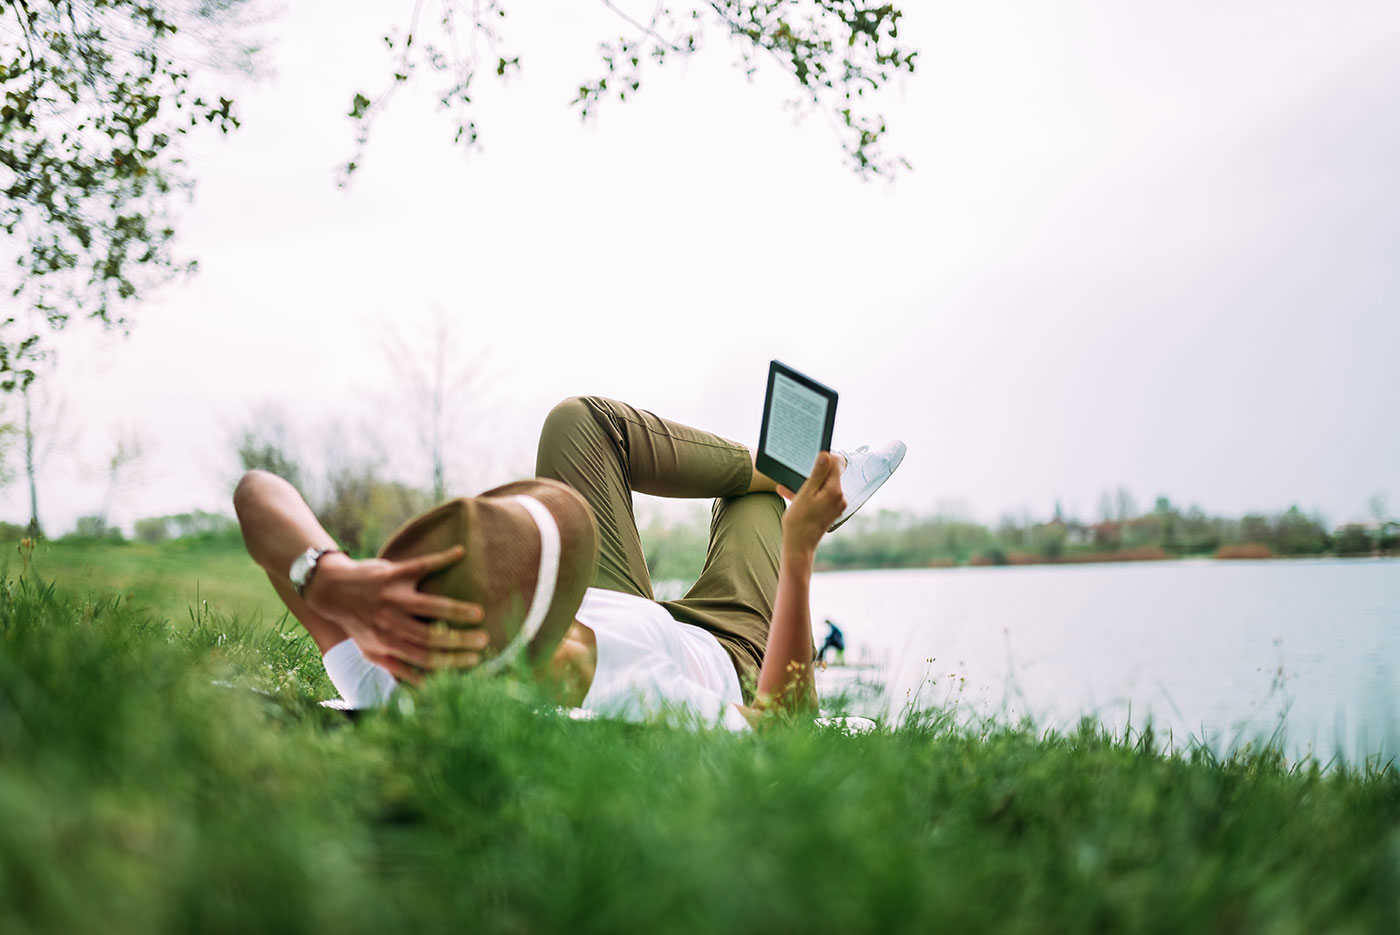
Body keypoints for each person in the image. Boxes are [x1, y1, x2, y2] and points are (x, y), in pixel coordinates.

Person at [233, 396, 906, 728]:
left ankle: (786, 477)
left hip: (617, 605)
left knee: (578, 422)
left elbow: (255, 493)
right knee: (754, 507)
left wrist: (332, 578)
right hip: (728, 648)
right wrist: (799, 549)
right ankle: (813, 486)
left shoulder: (402, 660)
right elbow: (787, 733)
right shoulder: (634, 694)